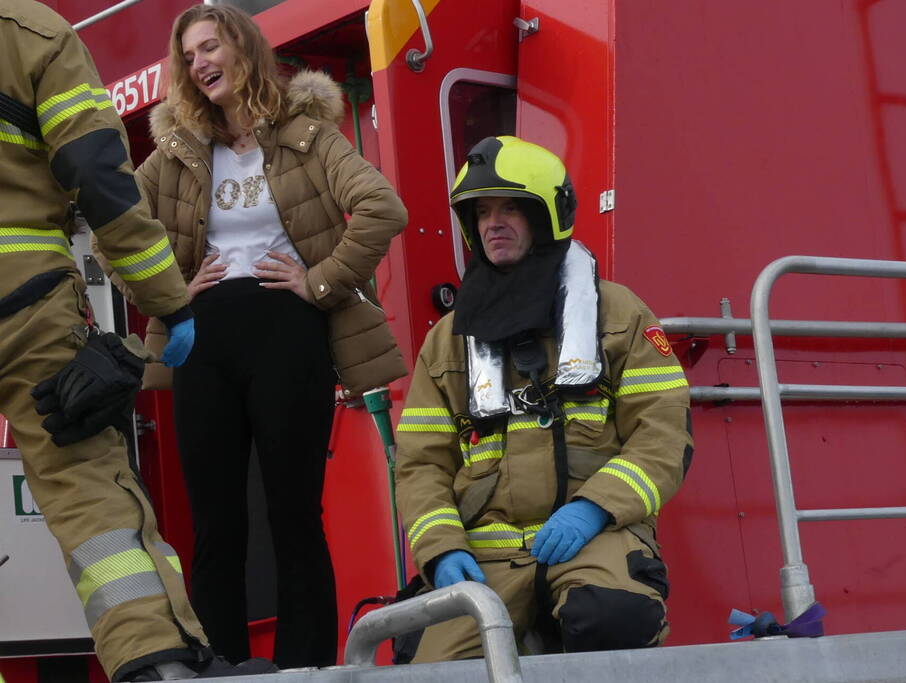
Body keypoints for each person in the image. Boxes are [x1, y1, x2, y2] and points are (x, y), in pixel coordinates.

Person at [103, 3, 408, 670]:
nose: (199, 63)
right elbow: (113, 233)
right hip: (202, 341)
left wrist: (319, 279)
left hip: (286, 333)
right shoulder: (177, 150)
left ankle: (305, 667)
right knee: (214, 524)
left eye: (209, 47)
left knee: (293, 513)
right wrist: (172, 292)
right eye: (188, 56)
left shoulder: (308, 134)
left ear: (244, 49)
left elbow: (384, 207)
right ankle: (220, 664)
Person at [0, 1, 276, 680]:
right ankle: (158, 662)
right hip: (22, 299)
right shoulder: (29, 33)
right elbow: (98, 177)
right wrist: (169, 301)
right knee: (86, 480)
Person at [394, 136, 694, 661]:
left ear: (547, 213)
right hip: (482, 556)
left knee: (611, 620)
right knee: (432, 669)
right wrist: (442, 551)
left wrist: (595, 509)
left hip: (594, 535)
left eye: (511, 207)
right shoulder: (448, 340)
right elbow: (421, 465)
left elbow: (663, 435)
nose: (493, 223)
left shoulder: (618, 315)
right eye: (482, 211)